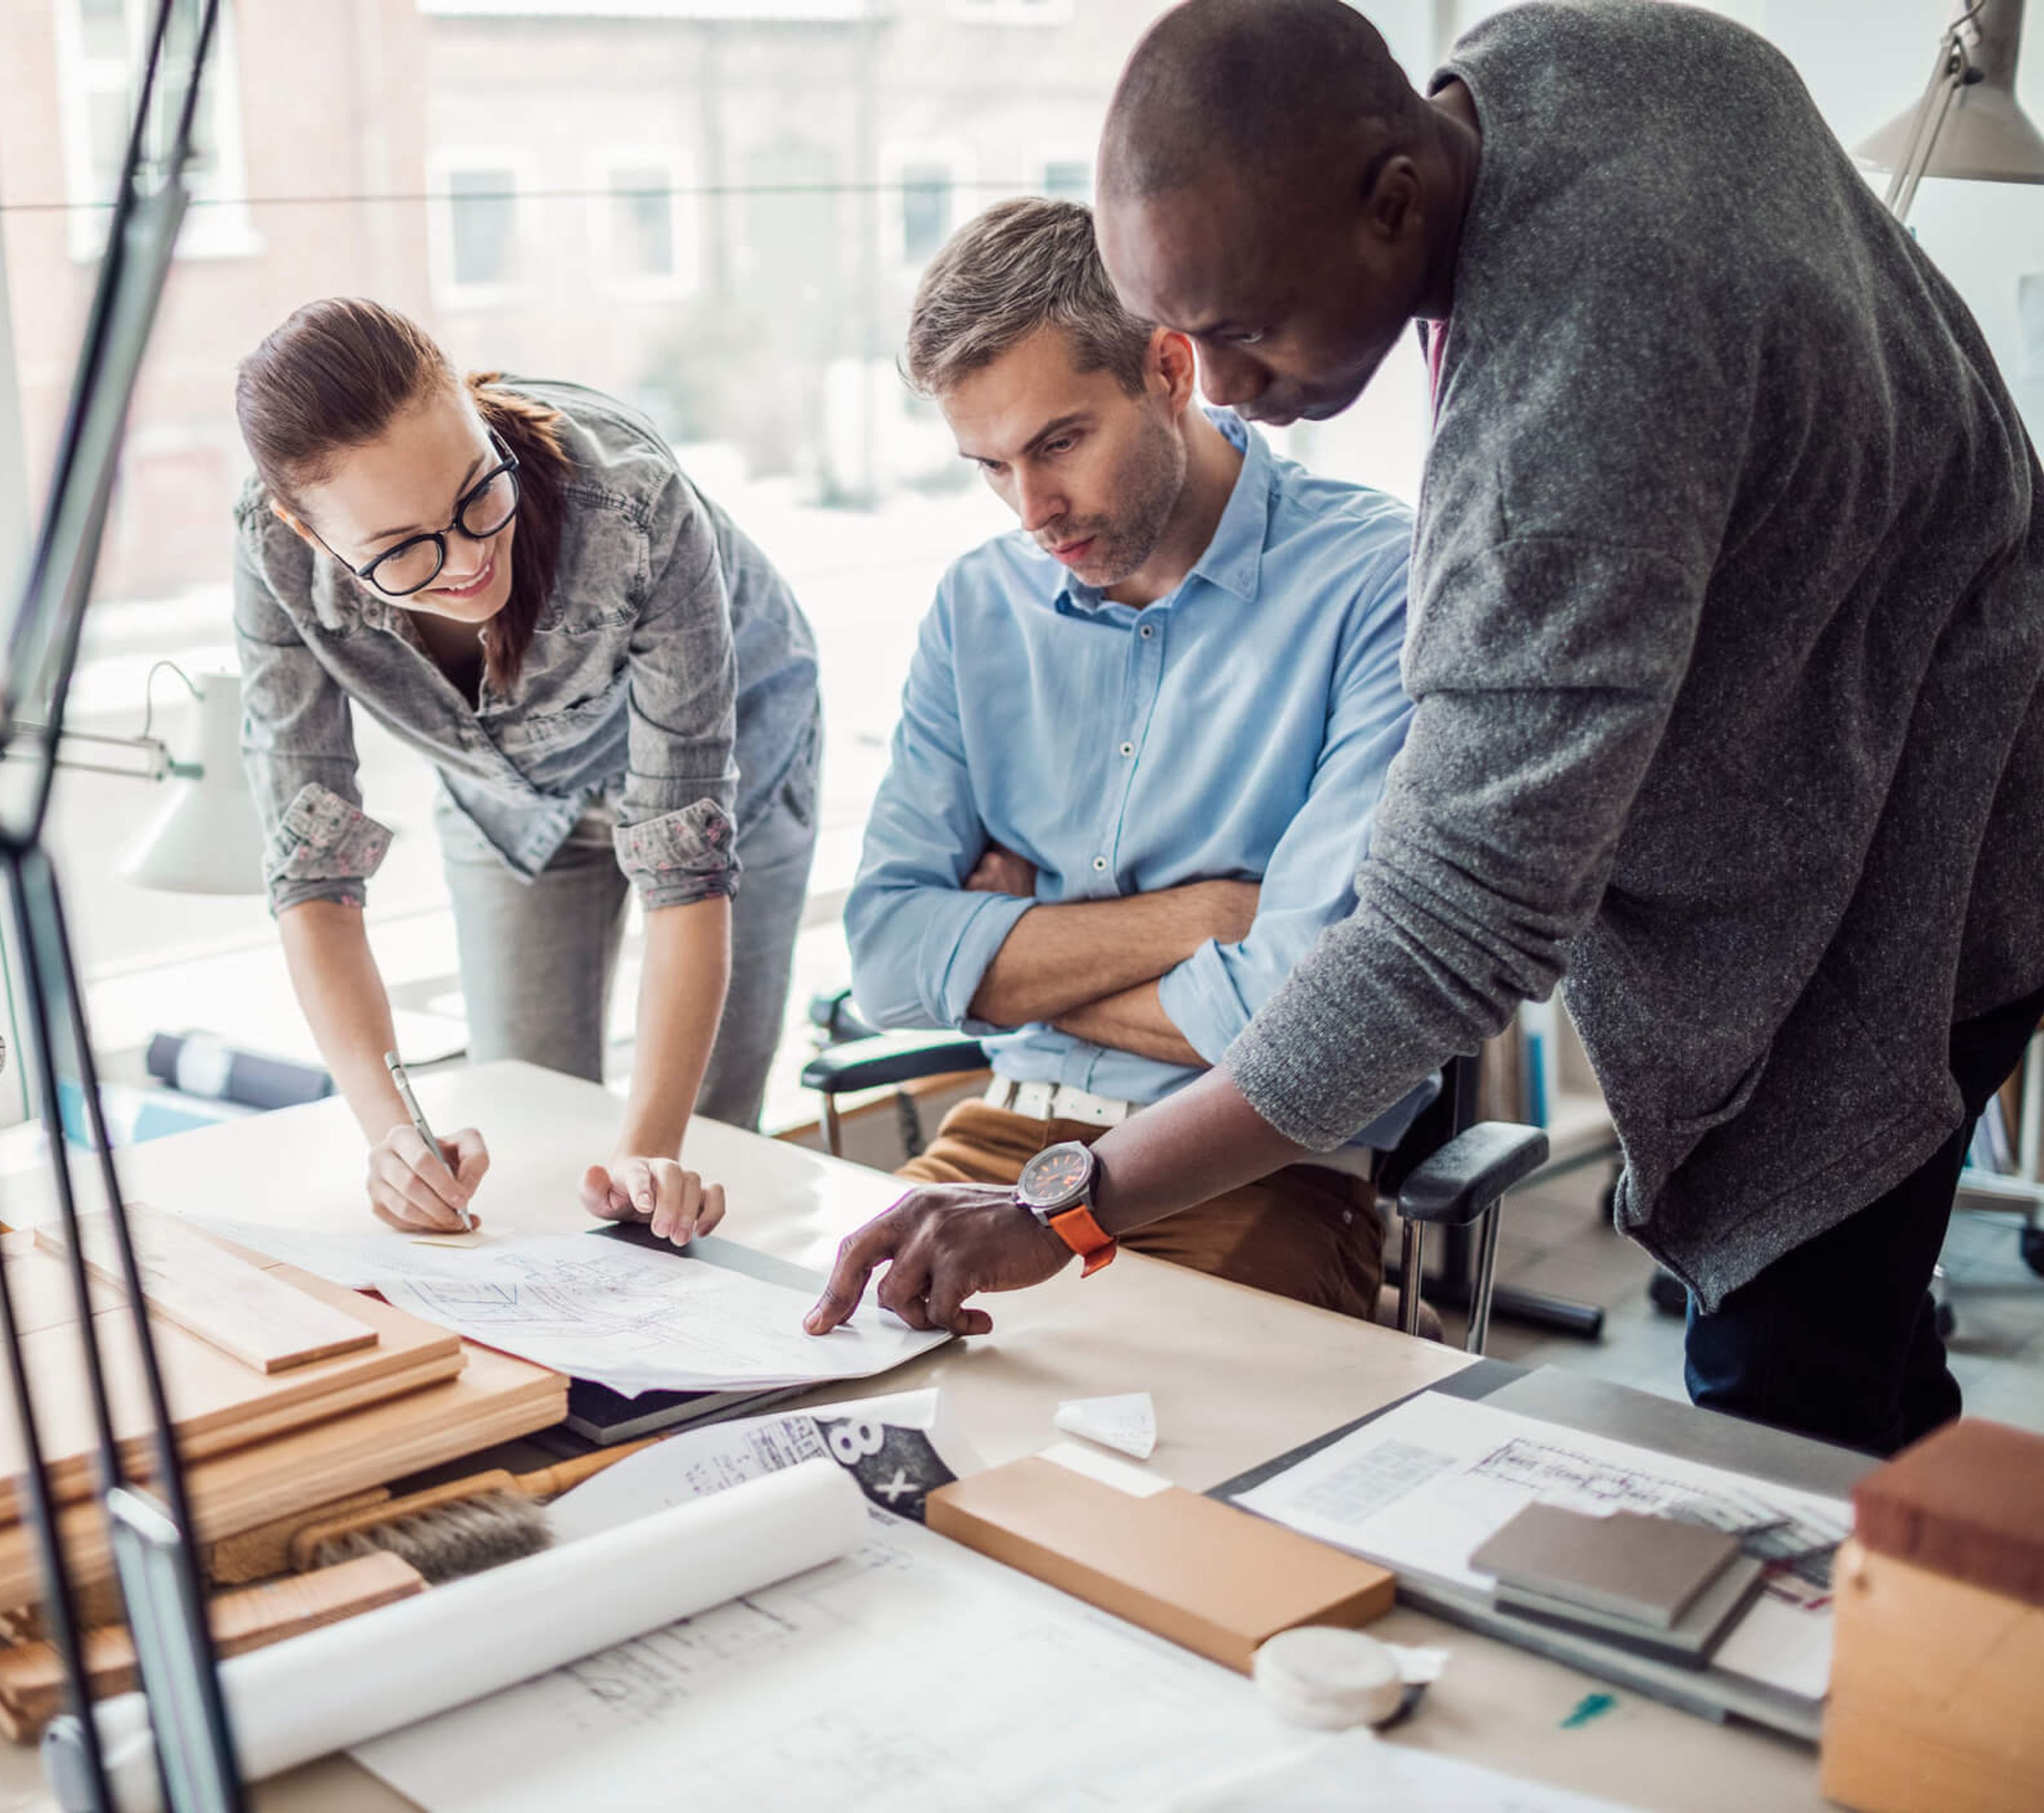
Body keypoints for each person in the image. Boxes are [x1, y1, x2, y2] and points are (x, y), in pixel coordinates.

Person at [806, 0, 2044, 1458]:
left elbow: (1438, 943)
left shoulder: (1553, 438)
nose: (1223, 391)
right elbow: (895, 947)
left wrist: (1061, 1186)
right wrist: (1196, 925)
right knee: (1882, 1383)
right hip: (1952, 689)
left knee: (1783, 1435)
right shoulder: (1566, 58)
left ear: (1395, 202)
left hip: (1900, 866)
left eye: (1244, 331)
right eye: (1187, 337)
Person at [845, 195, 1426, 1322]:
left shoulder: (1380, 586)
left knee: (1128, 1479)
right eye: (989, 466)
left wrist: (1008, 967)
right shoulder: (980, 605)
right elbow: (885, 958)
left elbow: (1305, 1018)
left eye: (1060, 443)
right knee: (821, 1422)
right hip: (993, 1142)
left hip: (1262, 1167)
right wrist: (1205, 919)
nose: (1033, 509)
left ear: (1169, 368)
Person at [233, 299, 822, 1244]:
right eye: (401, 551)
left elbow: (685, 882)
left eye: (478, 495)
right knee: (529, 1122)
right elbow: (314, 878)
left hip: (730, 762)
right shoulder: (273, 557)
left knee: (689, 1160)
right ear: (309, 537)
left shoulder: (636, 506)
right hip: (505, 796)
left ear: (473, 407)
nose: (467, 562)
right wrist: (394, 1142)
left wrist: (649, 1155)